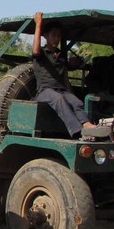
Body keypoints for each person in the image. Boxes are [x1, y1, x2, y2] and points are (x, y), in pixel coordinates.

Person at [32, 11, 98, 139]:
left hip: (61, 90)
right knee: (59, 99)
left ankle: (87, 124)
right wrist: (38, 24)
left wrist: (70, 92)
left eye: (59, 36)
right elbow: (35, 50)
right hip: (45, 91)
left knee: (76, 101)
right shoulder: (41, 53)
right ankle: (78, 132)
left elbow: (65, 78)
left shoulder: (61, 56)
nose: (56, 38)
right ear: (45, 36)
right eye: (53, 35)